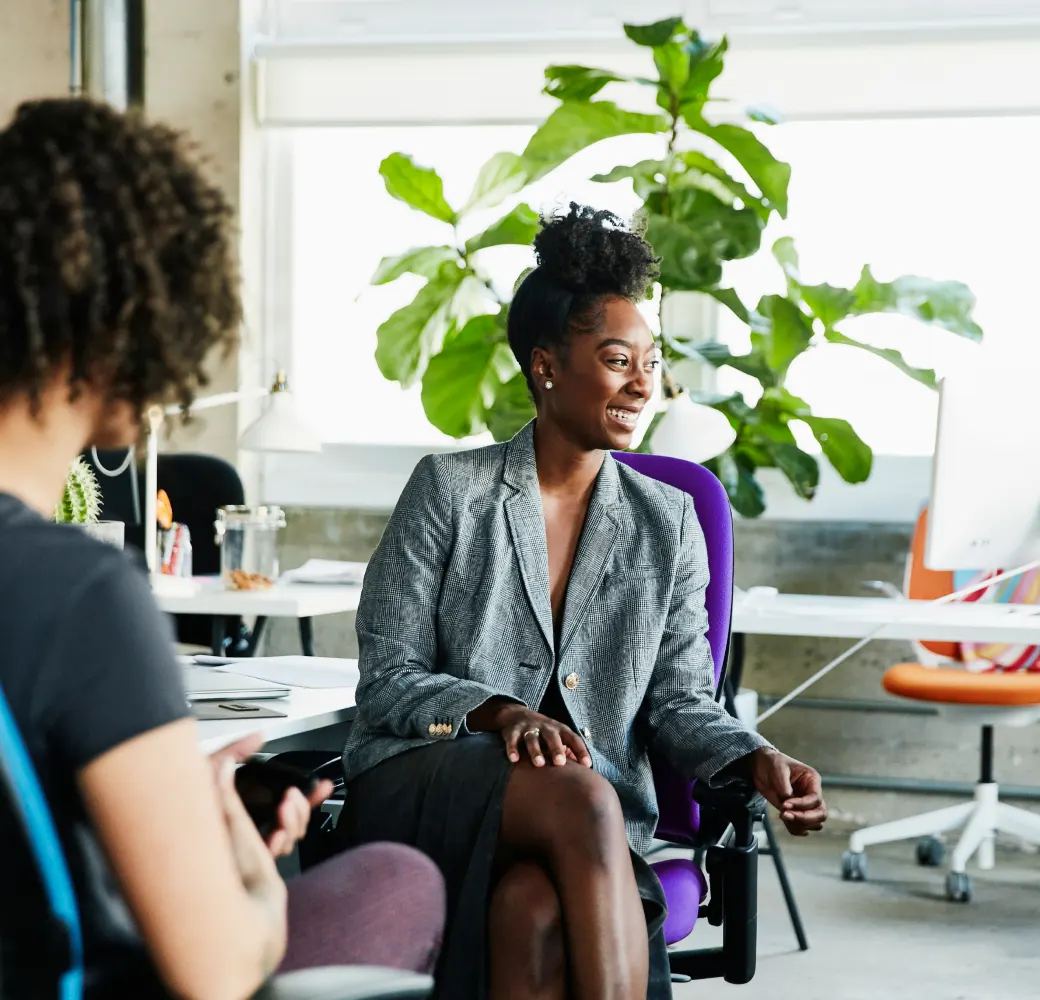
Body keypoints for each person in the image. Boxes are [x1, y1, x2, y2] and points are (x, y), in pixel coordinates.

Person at [0, 98, 444, 1000]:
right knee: (402, 880)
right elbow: (214, 974)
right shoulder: (80, 595)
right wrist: (241, 859)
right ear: (131, 317)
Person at [340, 203, 828, 1000]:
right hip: (434, 782)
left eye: (650, 361)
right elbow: (388, 679)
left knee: (530, 910)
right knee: (580, 793)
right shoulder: (449, 491)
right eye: (615, 359)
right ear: (546, 366)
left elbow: (677, 699)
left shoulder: (665, 521)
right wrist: (501, 712)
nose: (643, 383)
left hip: (579, 822)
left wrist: (752, 756)